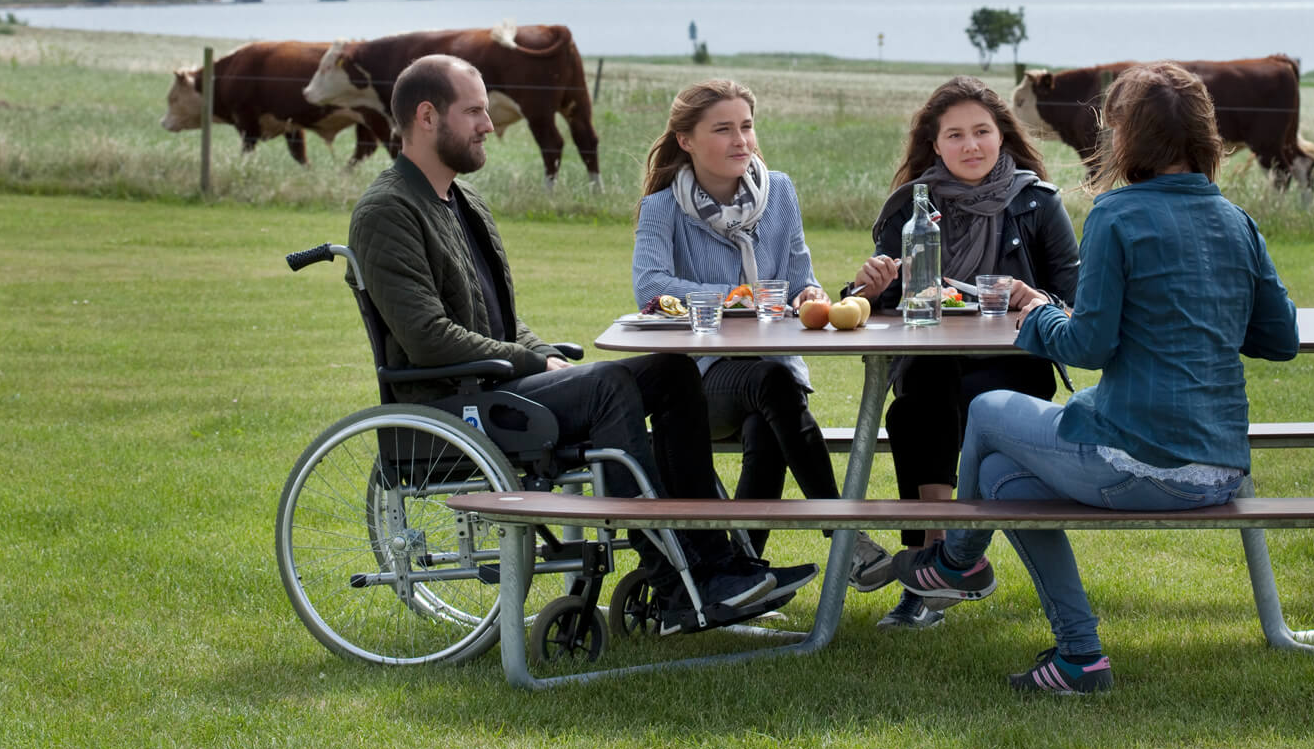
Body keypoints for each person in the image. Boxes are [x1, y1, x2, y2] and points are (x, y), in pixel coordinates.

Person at [347, 54, 810, 635]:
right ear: (426, 117)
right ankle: (680, 578)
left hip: (498, 381)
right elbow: (426, 338)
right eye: (475, 112)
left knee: (670, 371)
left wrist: (541, 351)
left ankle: (721, 564)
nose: (490, 124)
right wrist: (528, 359)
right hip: (450, 401)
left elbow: (501, 321)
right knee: (612, 385)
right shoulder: (388, 210)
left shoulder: (464, 204)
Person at [892, 61, 1300, 692]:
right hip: (1220, 467)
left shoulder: (1118, 214)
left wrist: (1038, 311)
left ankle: (958, 562)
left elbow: (1088, 343)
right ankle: (1079, 656)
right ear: (1205, 135)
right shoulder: (1236, 220)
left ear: (1124, 135)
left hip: (1141, 460)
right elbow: (1282, 338)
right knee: (1001, 478)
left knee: (986, 410)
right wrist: (1207, 309)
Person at [844, 75, 1080, 629]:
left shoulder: (1038, 203)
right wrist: (866, 289)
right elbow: (872, 304)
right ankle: (938, 561)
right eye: (955, 136)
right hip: (931, 365)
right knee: (917, 400)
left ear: (1002, 136)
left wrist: (1038, 298)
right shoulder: (911, 207)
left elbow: (1076, 301)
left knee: (959, 401)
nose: (970, 146)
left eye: (981, 132)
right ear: (935, 144)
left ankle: (939, 568)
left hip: (1013, 367)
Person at [632, 79, 877, 581]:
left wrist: (810, 295)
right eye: (723, 129)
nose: (740, 140)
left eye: (746, 126)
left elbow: (799, 276)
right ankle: (843, 535)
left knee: (770, 414)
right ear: (687, 141)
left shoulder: (779, 192)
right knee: (773, 386)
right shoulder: (663, 208)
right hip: (700, 382)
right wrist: (735, 295)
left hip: (774, 370)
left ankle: (746, 572)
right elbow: (650, 287)